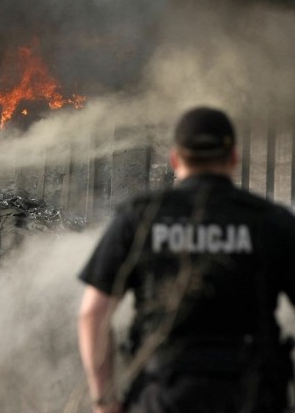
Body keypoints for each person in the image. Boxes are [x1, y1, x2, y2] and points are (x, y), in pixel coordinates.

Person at [77, 106, 295, 413]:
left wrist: (105, 400)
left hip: (162, 395)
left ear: (175, 159)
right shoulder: (271, 221)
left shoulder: (140, 218)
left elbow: (92, 314)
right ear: (233, 158)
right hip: (252, 395)